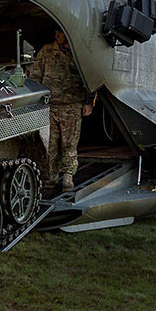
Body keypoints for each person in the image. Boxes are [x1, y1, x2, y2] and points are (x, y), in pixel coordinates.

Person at [31, 30, 94, 191]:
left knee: (69, 145)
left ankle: (68, 177)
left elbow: (90, 77)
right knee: (49, 146)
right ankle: (50, 178)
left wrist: (89, 102)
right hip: (50, 106)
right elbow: (36, 76)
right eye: (56, 32)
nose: (57, 35)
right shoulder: (47, 50)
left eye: (60, 32)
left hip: (72, 106)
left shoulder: (79, 51)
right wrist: (35, 101)